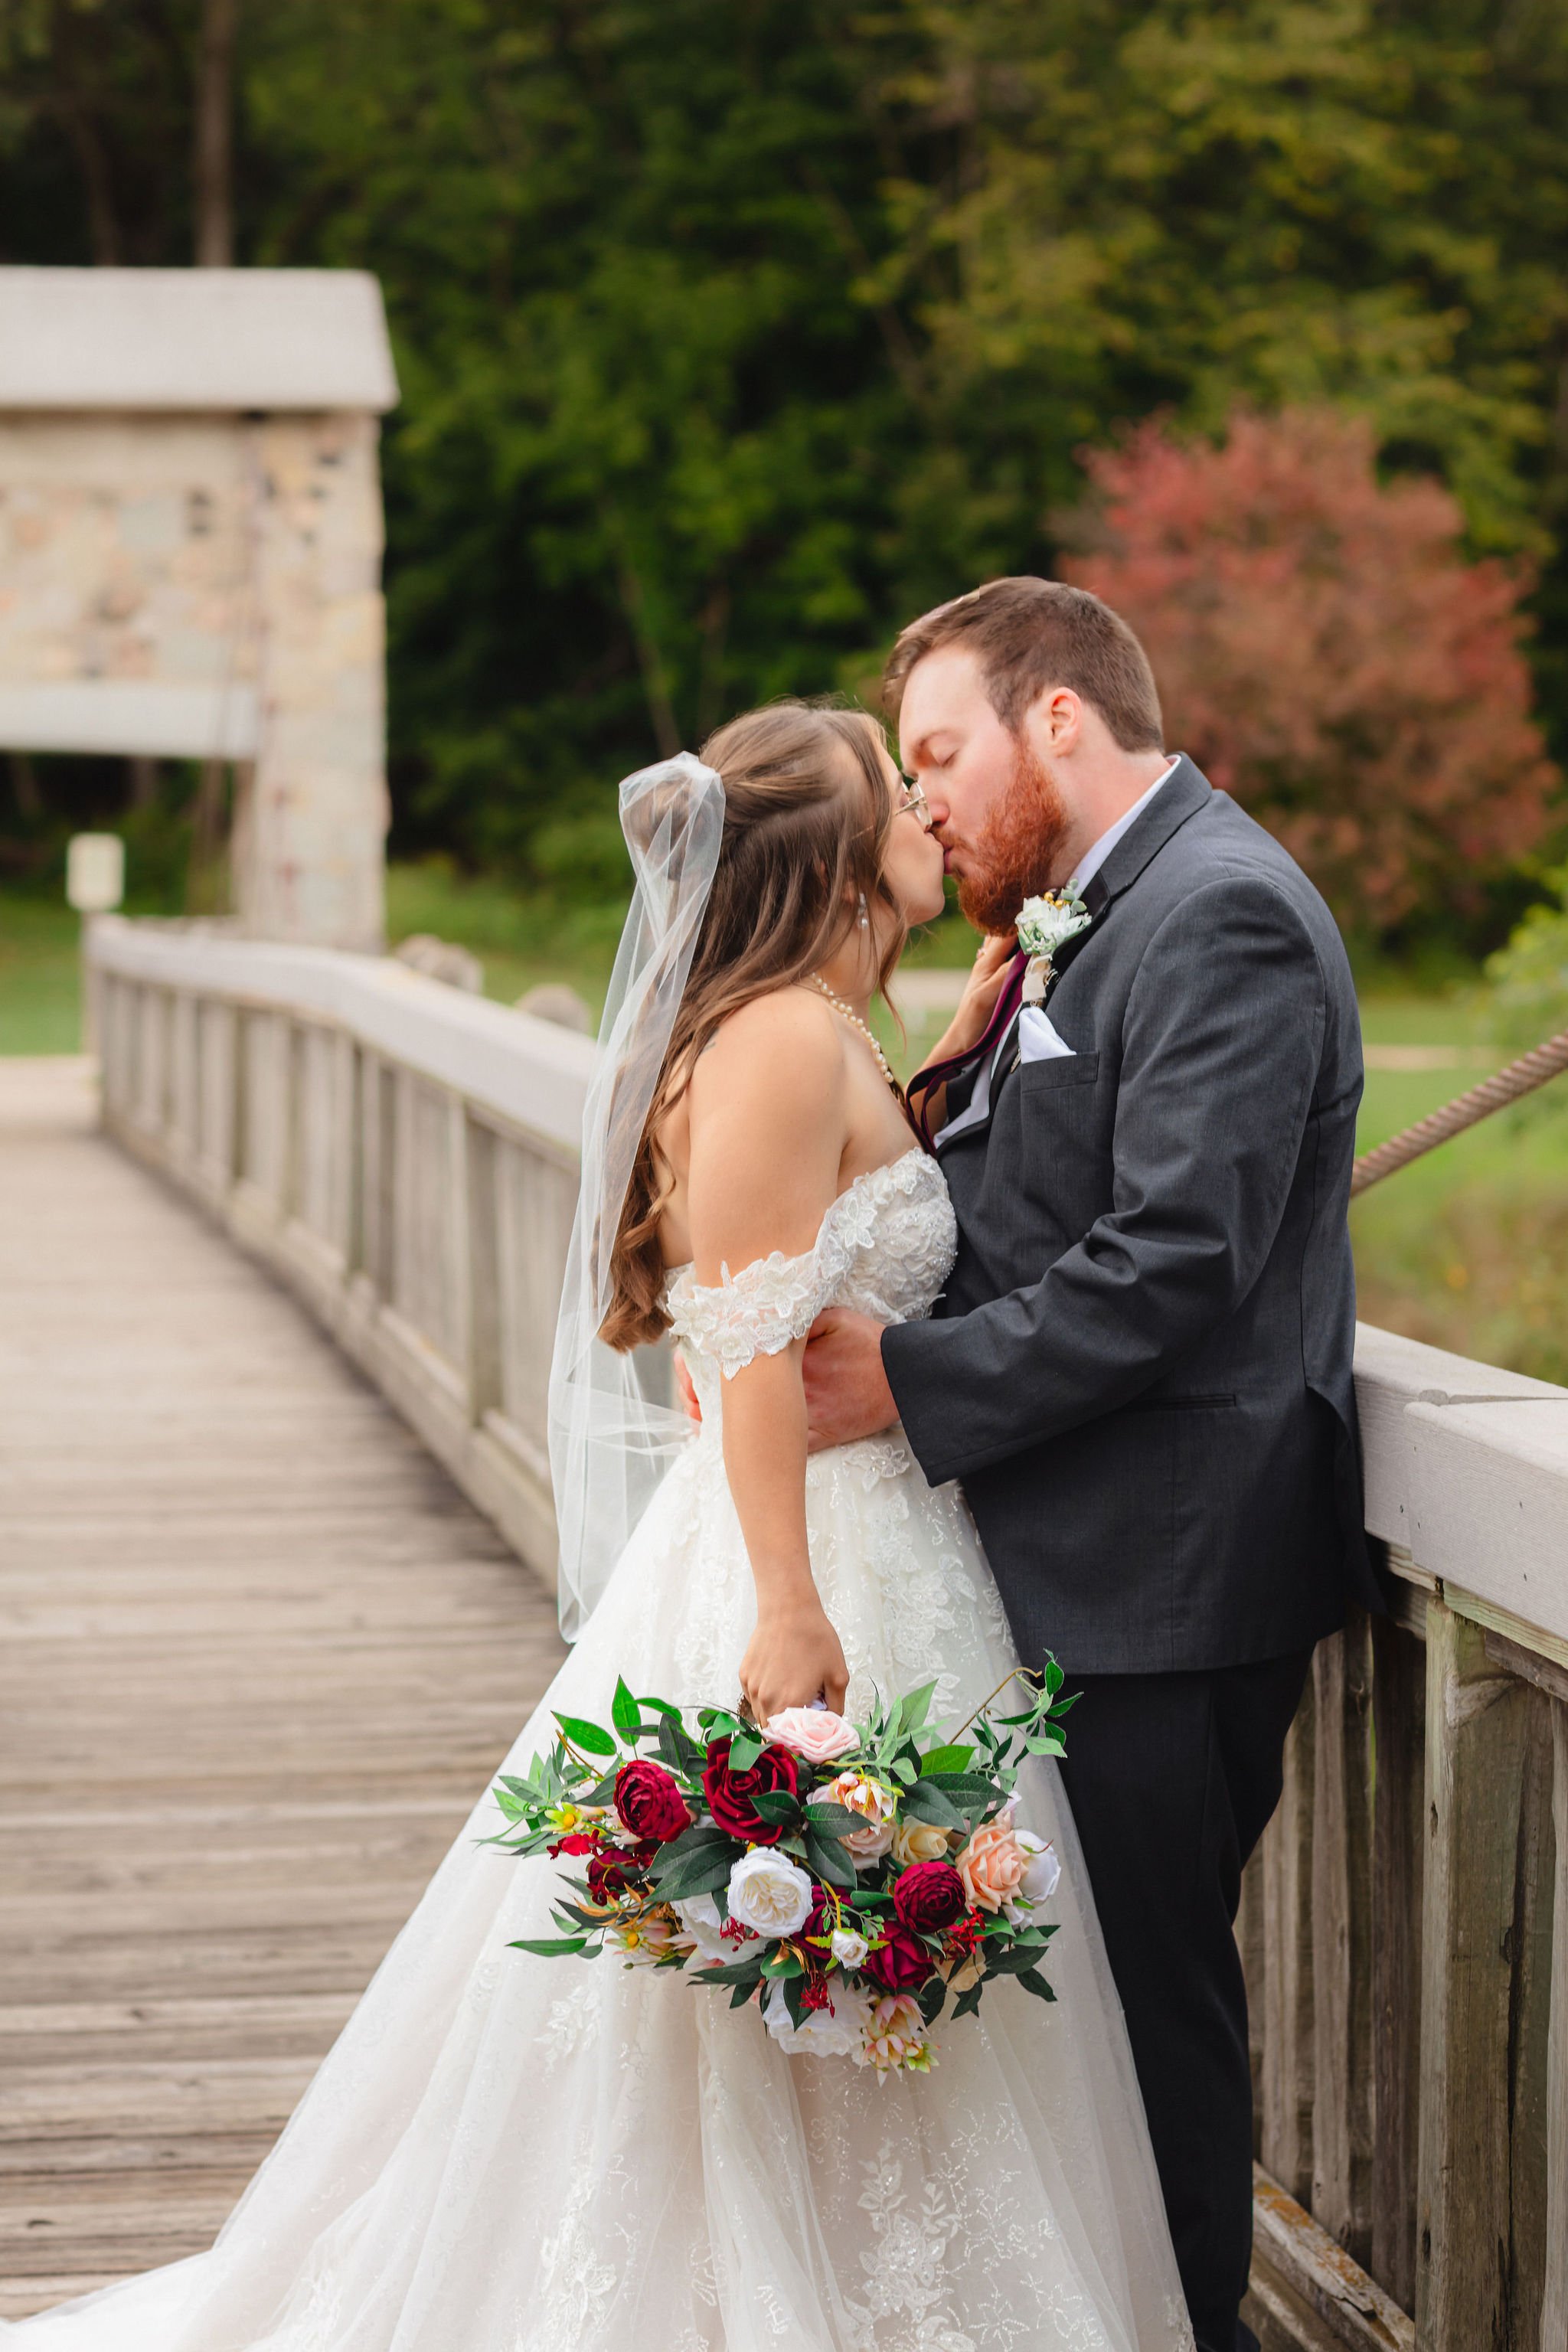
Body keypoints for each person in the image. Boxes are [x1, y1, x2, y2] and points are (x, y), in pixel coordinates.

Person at [5, 700, 1191, 2350]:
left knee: (870, 1976)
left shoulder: (821, 1024)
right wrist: (788, 1609)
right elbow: (753, 1352)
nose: (922, 805)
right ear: (830, 849)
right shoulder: (777, 1039)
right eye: (891, 781)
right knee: (789, 1962)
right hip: (815, 1556)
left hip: (883, 1533)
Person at [802, 580, 1384, 2352]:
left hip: (1164, 1582)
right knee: (1068, 2027)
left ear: (1057, 719)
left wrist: (899, 1380)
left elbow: (1174, 1259)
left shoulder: (1222, 912)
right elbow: (1026, 1202)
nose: (921, 802)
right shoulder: (1087, 913)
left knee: (1142, 2024)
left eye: (939, 754)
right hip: (1070, 1559)